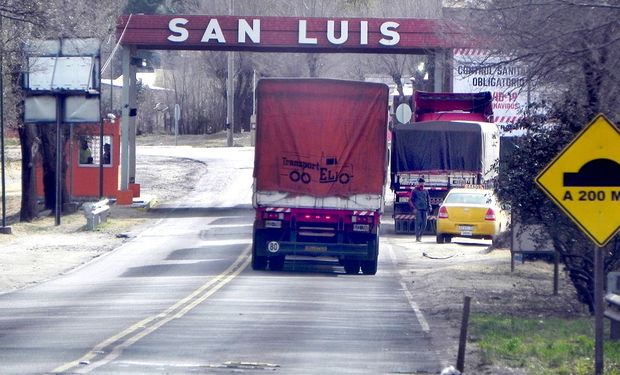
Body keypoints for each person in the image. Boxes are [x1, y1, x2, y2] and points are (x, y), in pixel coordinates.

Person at [409, 177, 433, 242]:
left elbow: (428, 199)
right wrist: (414, 208)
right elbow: (410, 200)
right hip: (418, 209)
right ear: (418, 183)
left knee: (424, 224)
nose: (421, 184)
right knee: (418, 223)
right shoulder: (414, 191)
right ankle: (417, 237)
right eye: (420, 183)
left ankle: (420, 236)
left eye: (423, 183)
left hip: (425, 209)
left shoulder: (426, 191)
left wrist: (430, 206)